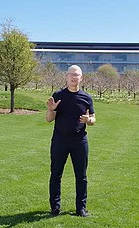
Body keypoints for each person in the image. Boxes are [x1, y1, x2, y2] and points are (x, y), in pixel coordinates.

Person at [46, 65, 96, 217]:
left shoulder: (86, 98)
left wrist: (89, 119)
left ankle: (81, 208)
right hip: (60, 140)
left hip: (79, 141)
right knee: (56, 174)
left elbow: (93, 119)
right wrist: (51, 110)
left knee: (81, 176)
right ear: (66, 77)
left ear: (82, 78)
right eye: (71, 75)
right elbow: (48, 120)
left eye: (77, 75)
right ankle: (55, 207)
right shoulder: (58, 95)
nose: (74, 77)